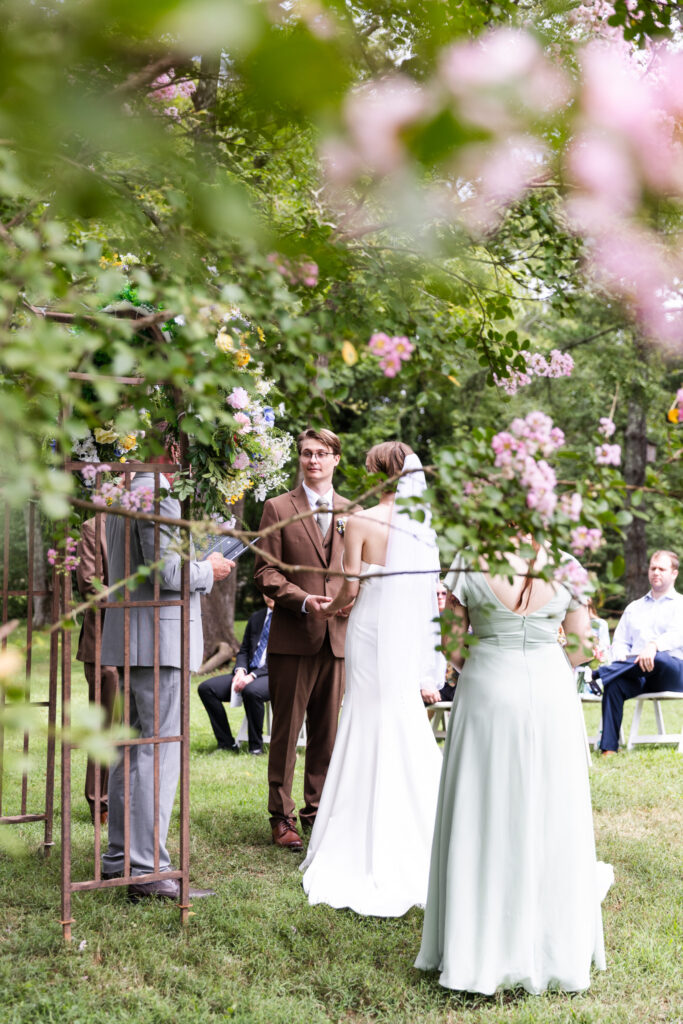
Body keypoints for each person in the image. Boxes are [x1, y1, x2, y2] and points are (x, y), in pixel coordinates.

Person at [416, 544, 613, 994]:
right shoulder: (568, 565)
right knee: (551, 813)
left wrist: (489, 661)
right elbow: (582, 647)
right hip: (550, 694)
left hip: (487, 690)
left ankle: (478, 947)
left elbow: (451, 643)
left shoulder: (470, 560)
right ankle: (552, 946)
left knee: (482, 813)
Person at [299, 442, 443, 916]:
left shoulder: (359, 522)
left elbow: (350, 588)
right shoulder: (424, 530)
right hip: (403, 636)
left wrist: (330, 609)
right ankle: (424, 829)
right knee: (400, 712)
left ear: (382, 474)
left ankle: (361, 832)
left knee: (364, 715)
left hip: (367, 630)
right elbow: (429, 593)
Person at [101, 435, 233, 900]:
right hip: (160, 638)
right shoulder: (158, 492)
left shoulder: (122, 488)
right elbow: (171, 574)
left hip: (138, 637)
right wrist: (209, 568)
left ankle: (120, 857)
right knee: (157, 754)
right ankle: (149, 869)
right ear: (175, 448)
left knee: (134, 749)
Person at [254, 428, 350, 851]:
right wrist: (305, 600)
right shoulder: (277, 507)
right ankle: (282, 815)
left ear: (335, 460)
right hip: (294, 635)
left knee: (327, 732)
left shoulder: (352, 511)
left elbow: (359, 569)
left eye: (321, 453)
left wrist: (353, 599)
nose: (313, 460)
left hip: (339, 639)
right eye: (307, 453)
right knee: (286, 732)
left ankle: (317, 810)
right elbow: (266, 573)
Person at [595, 550, 683, 755]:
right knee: (615, 684)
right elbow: (620, 642)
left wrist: (653, 646)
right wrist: (619, 657)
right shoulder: (634, 608)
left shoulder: (681, 604)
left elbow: (678, 635)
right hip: (638, 674)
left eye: (662, 568)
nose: (656, 572)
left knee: (659, 657)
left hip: (673, 672)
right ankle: (609, 749)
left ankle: (599, 674)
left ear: (674, 574)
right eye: (653, 568)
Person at [75, 516, 119, 826]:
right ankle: (99, 801)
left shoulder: (145, 523)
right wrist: (135, 601)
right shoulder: (93, 527)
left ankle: (125, 797)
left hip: (143, 641)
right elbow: (90, 583)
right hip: (104, 641)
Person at [197, 596, 274, 755]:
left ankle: (256, 747)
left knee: (251, 690)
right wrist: (240, 670)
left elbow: (282, 660)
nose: (269, 595)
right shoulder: (257, 618)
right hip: (248, 672)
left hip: (275, 675)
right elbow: (244, 650)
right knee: (206, 688)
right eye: (265, 591)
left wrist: (252, 676)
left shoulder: (291, 620)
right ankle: (226, 743)